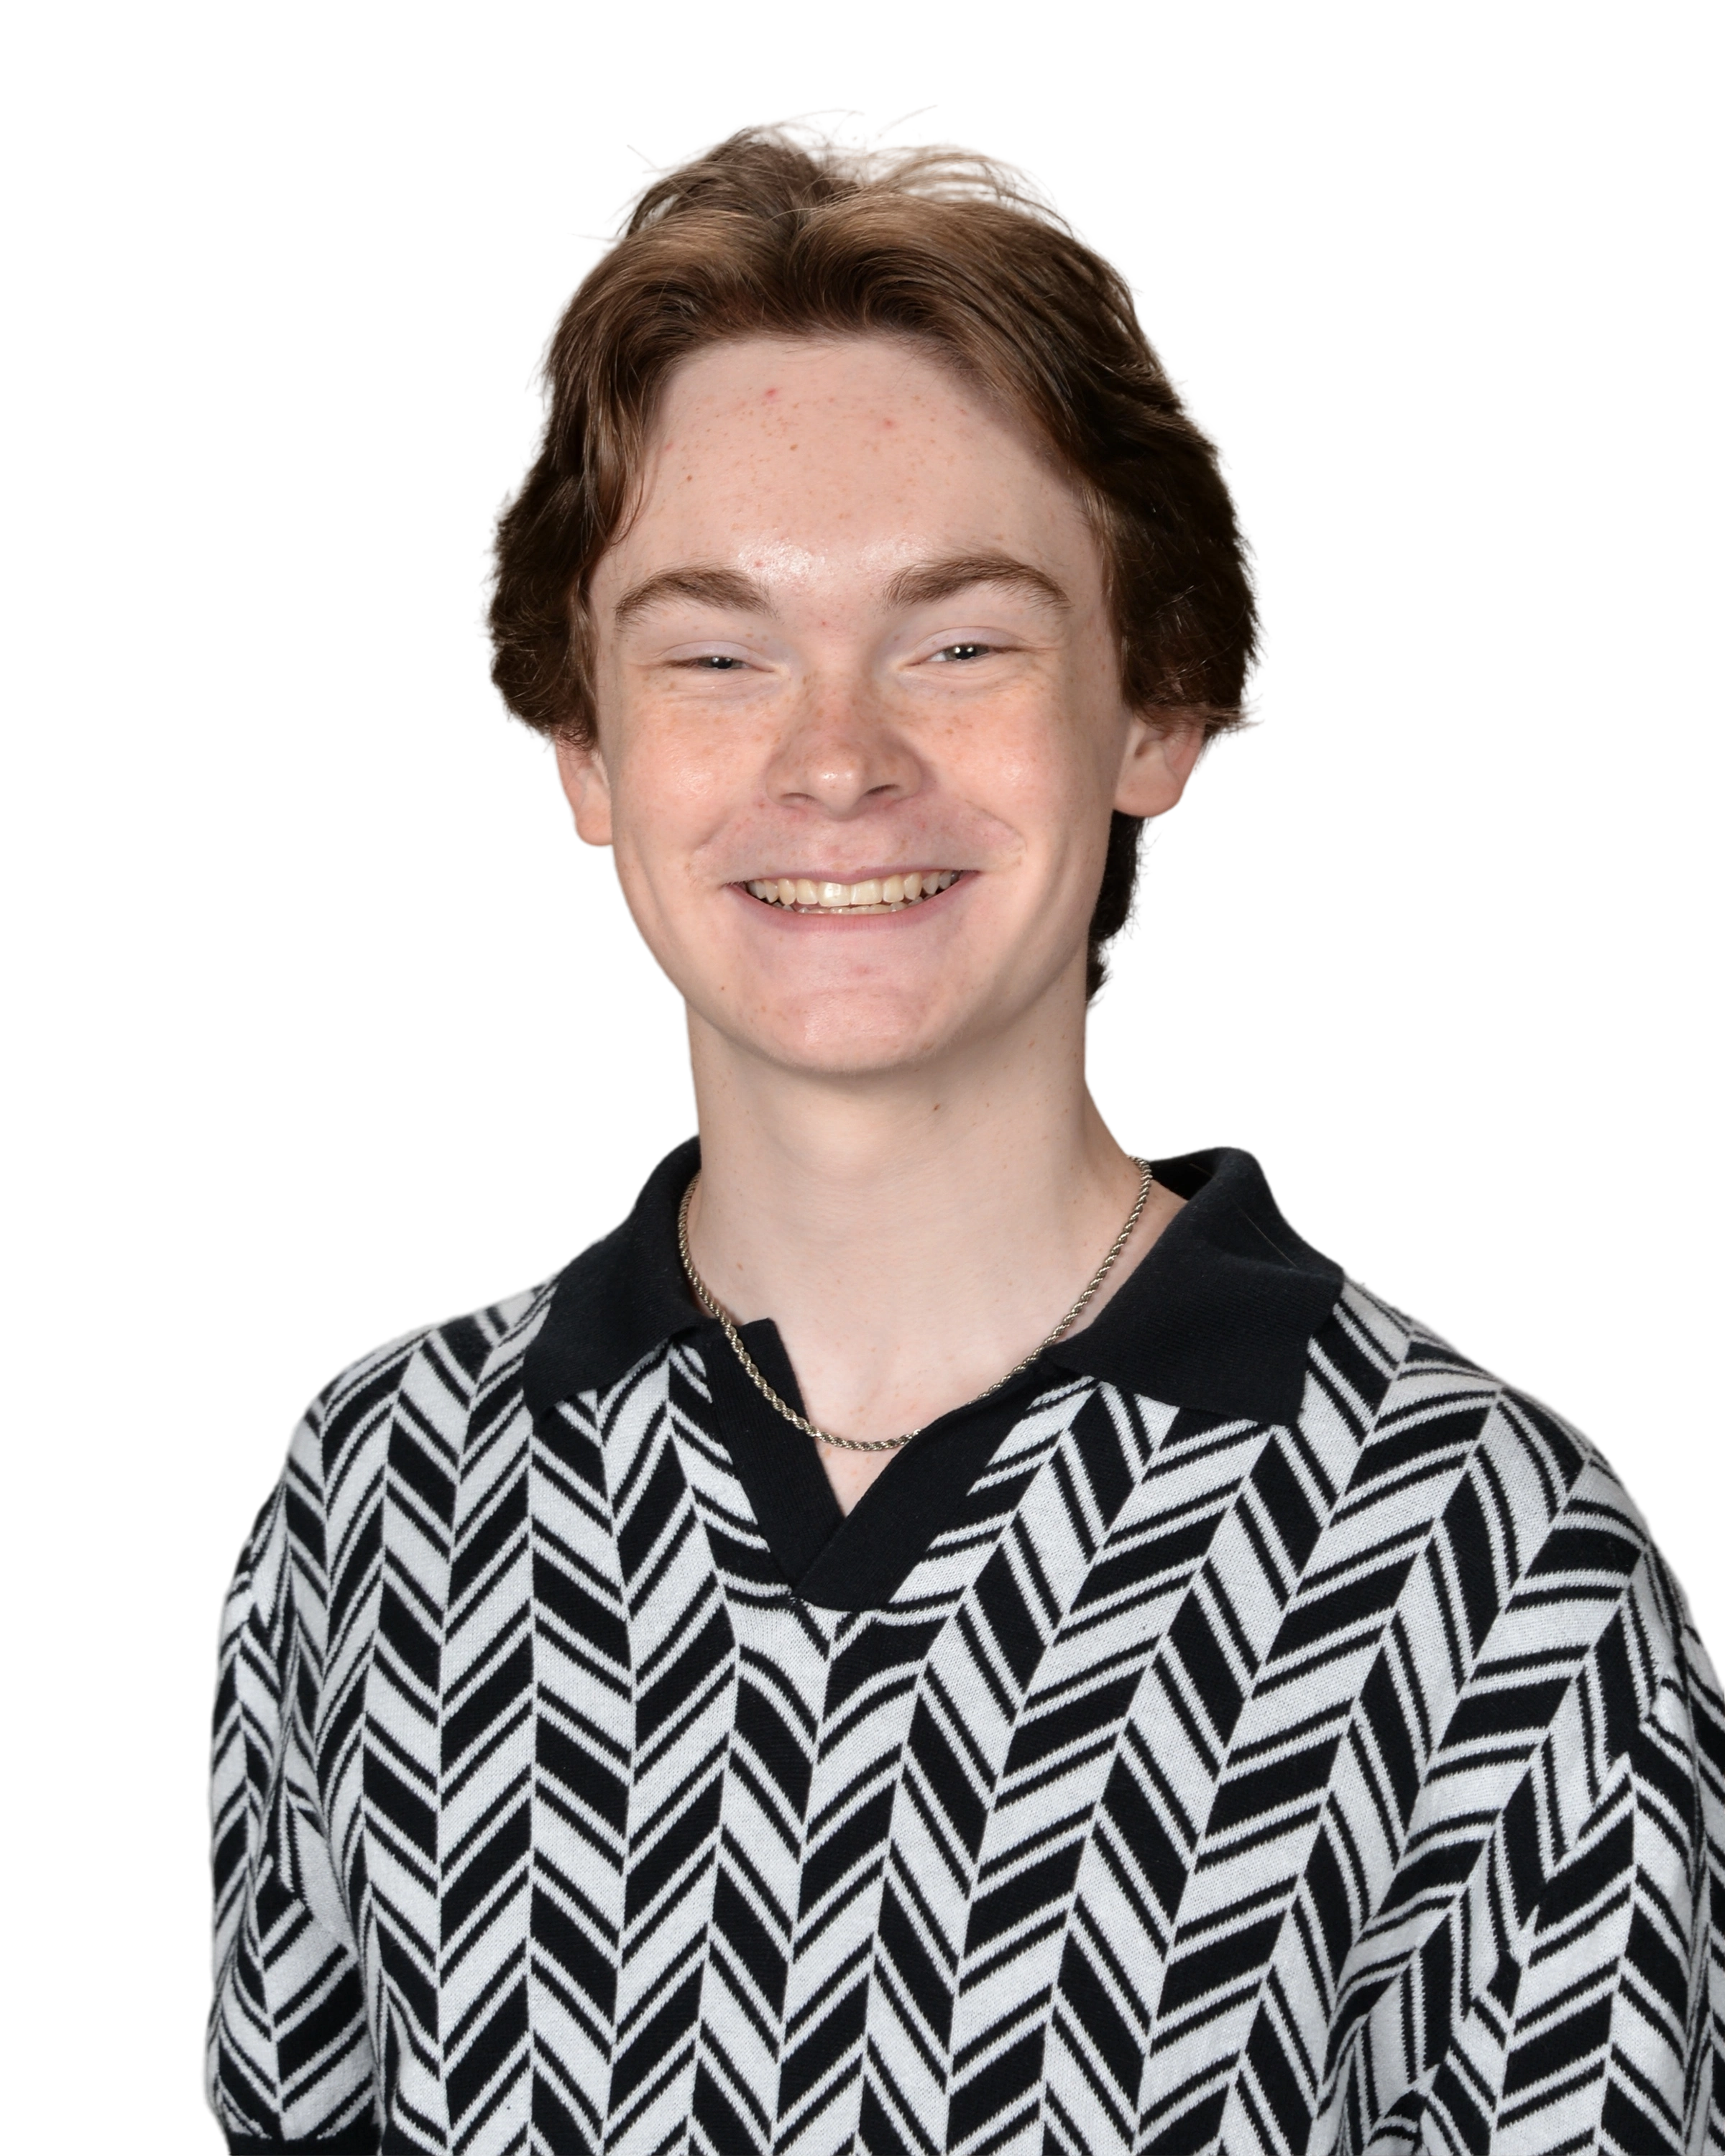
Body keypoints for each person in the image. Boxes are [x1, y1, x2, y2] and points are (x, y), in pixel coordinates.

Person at [200, 105, 1725, 2156]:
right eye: (716, 652)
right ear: (584, 743)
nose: (836, 758)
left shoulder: (1492, 1563)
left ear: (1155, 706)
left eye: (960, 641)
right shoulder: (384, 1497)